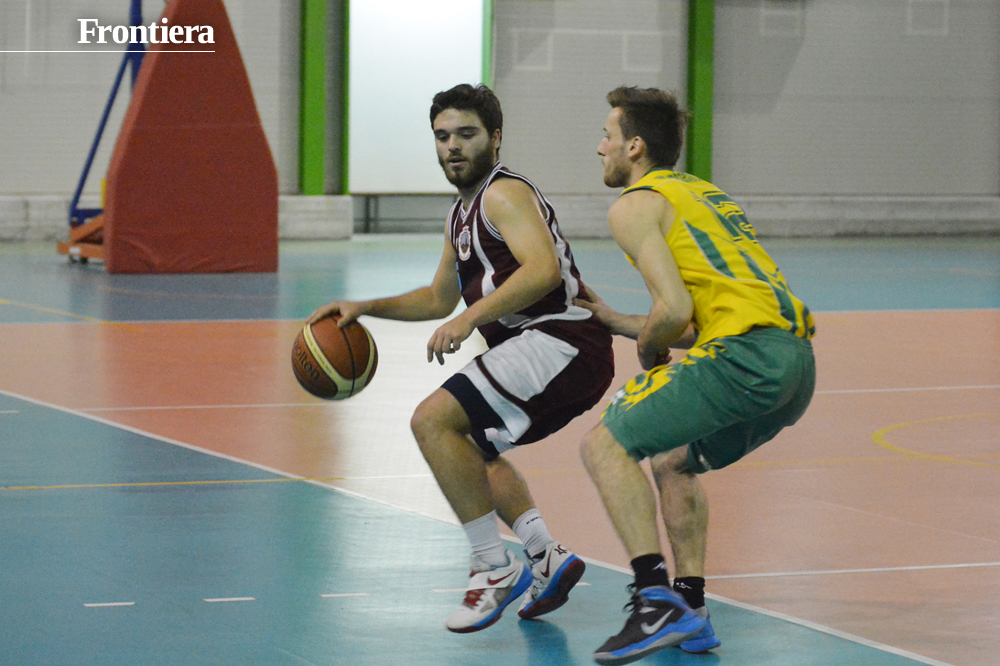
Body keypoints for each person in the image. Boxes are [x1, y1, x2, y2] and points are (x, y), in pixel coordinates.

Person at [308, 83, 615, 633]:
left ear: (495, 137)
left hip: (561, 341)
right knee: (469, 450)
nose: (452, 146)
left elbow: (542, 271)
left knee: (432, 421)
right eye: (442, 136)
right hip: (550, 349)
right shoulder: (459, 214)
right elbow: (437, 299)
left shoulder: (504, 194)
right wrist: (365, 307)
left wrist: (470, 320)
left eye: (466, 134)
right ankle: (544, 555)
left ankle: (491, 566)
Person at [577, 86, 816, 665]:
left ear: (635, 146)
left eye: (607, 136)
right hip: (795, 363)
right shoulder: (705, 196)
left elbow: (674, 312)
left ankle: (653, 600)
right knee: (673, 460)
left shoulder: (633, 206)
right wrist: (623, 322)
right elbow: (702, 319)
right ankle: (693, 607)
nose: (599, 147)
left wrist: (648, 348)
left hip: (745, 357)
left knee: (604, 445)